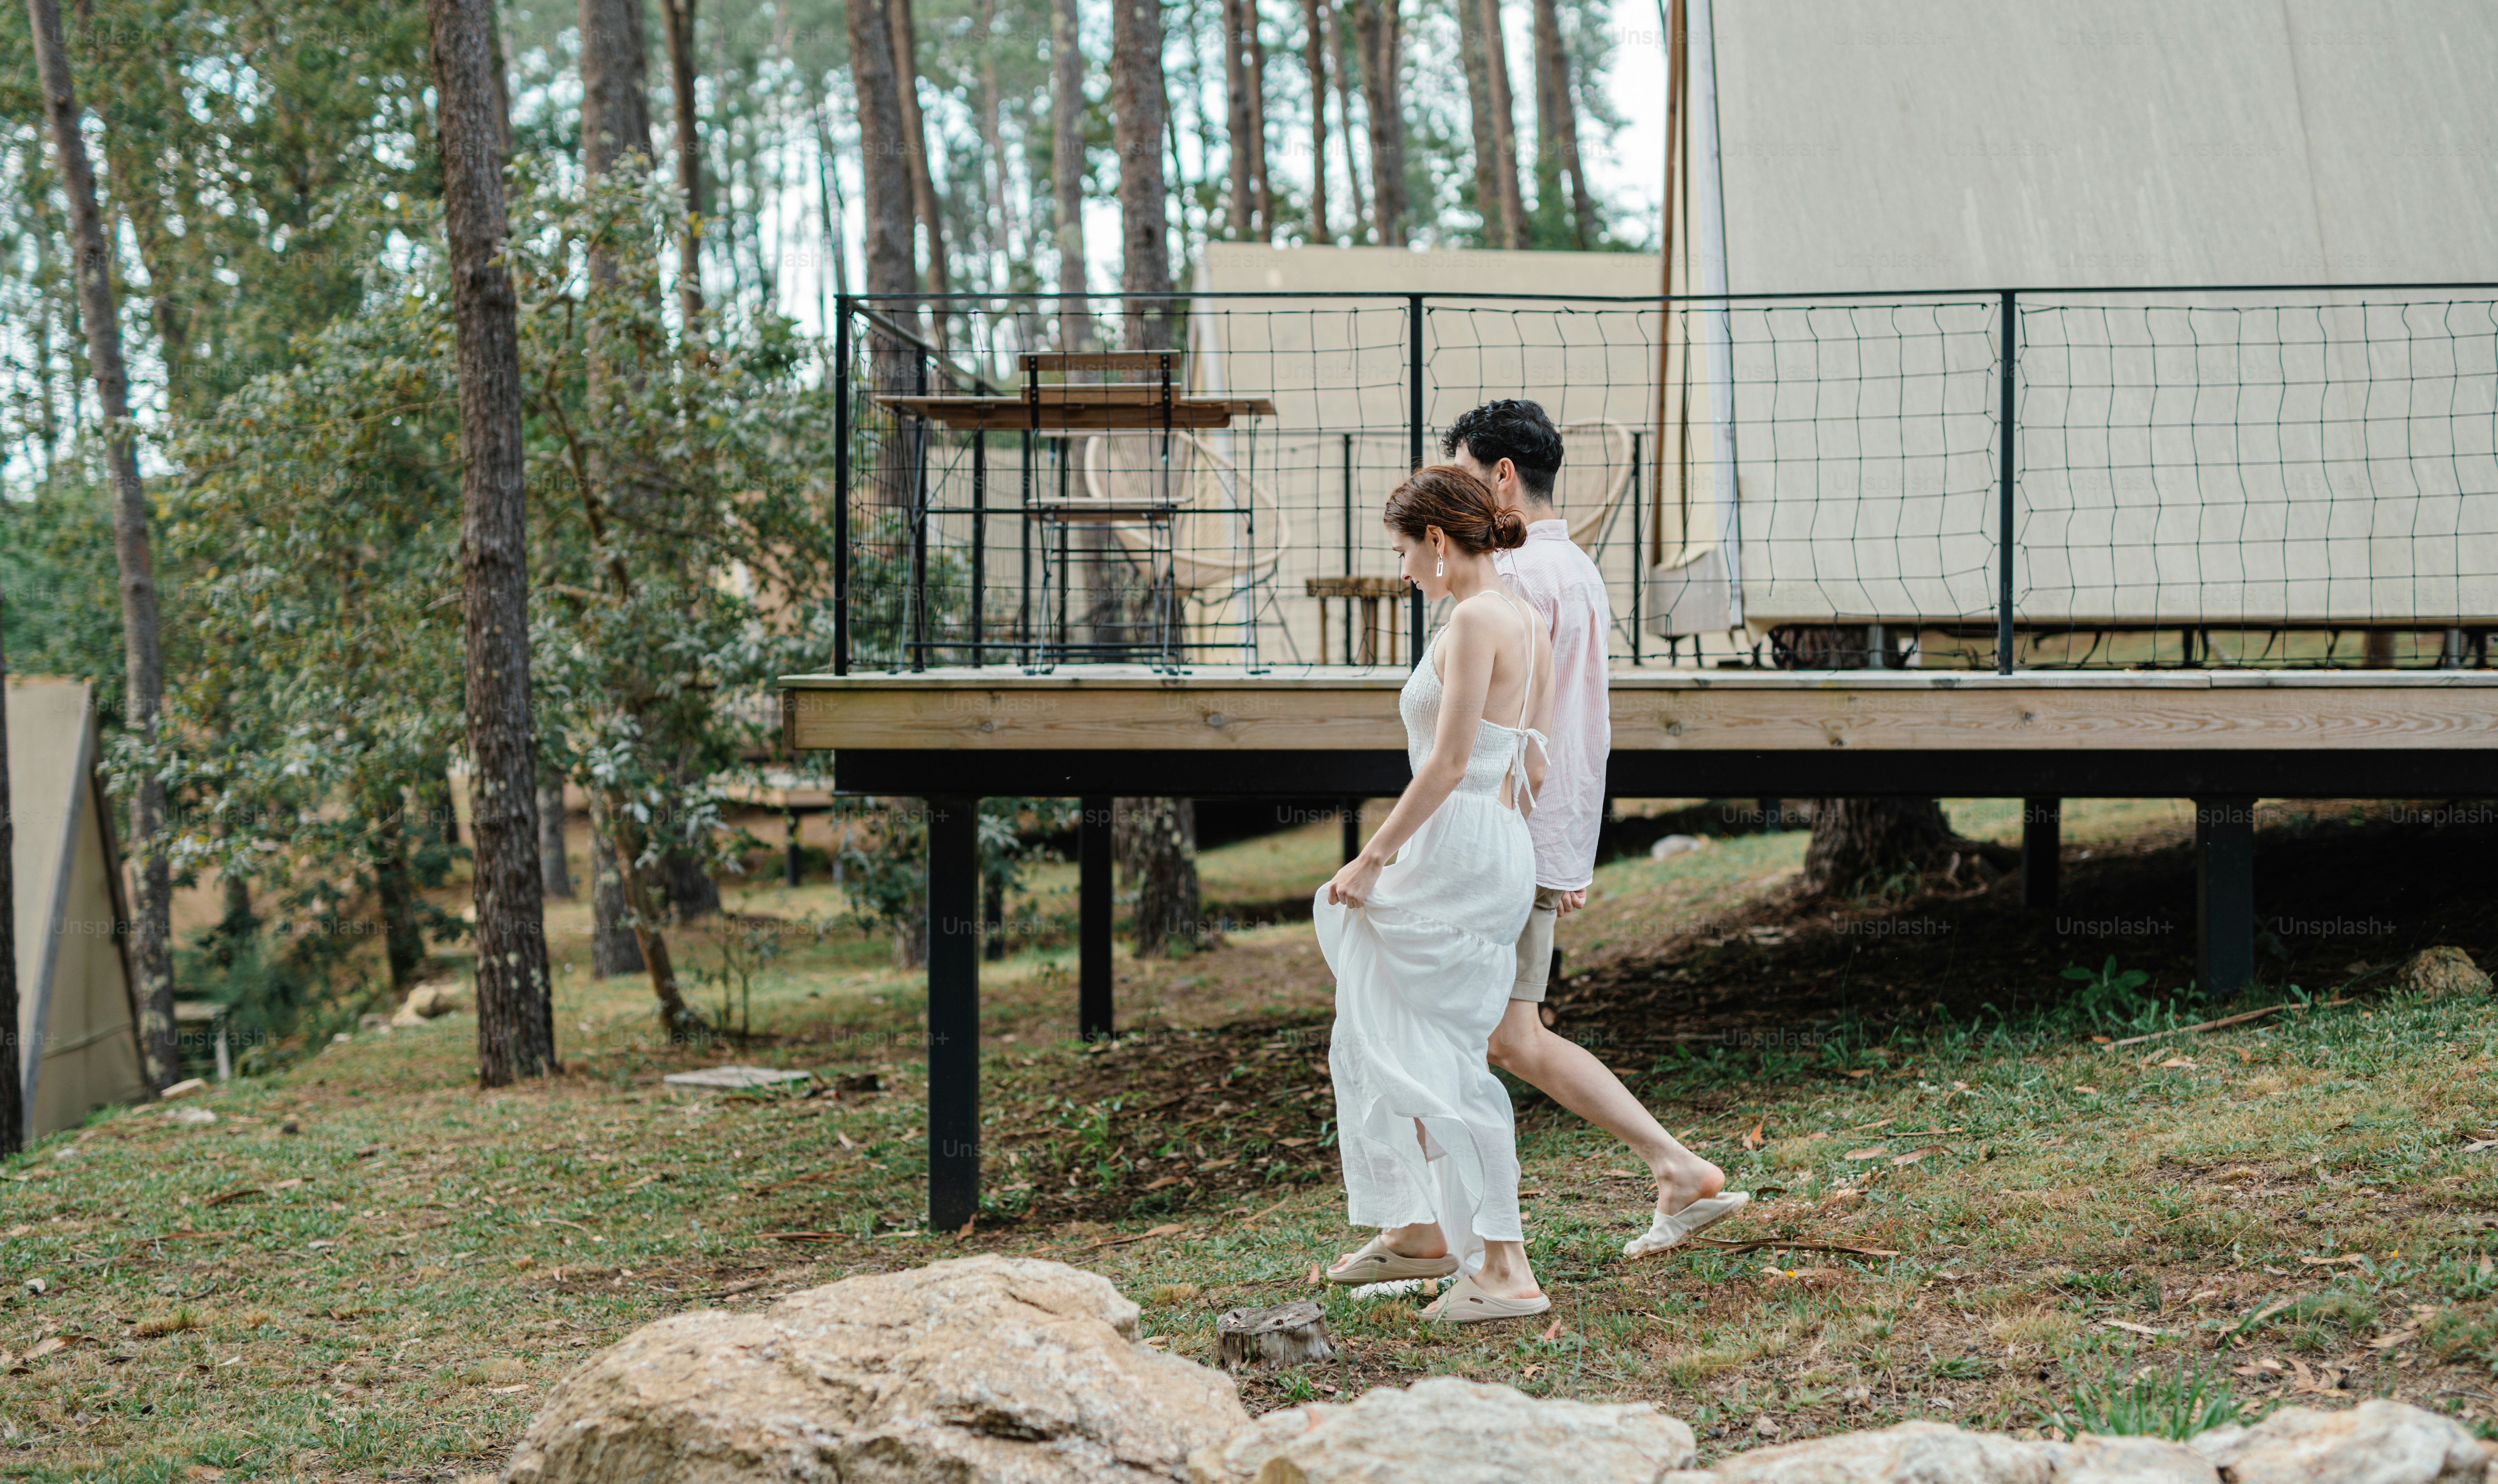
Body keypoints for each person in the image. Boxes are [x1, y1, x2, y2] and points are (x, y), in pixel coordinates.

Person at [1444, 399, 1751, 1259]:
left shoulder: (1514, 580)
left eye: (1465, 474)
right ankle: (1672, 1167)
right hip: (1542, 831)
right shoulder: (1574, 568)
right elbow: (1582, 726)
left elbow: (1513, 728)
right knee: (1504, 1034)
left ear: (1501, 476)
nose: (1455, 497)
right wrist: (1566, 845)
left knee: (1470, 1032)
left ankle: (1445, 1238)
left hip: (1503, 831)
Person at [1313, 464, 1556, 1322]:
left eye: (1403, 551)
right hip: (1492, 843)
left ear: (1440, 543)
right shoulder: (1526, 616)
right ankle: (1424, 1229)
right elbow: (1527, 754)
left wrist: (1372, 857)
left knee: (1433, 1051)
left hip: (1456, 843)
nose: (1403, 570)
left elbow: (1451, 762)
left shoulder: (1471, 622)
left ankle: (1504, 1265)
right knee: (1390, 1031)